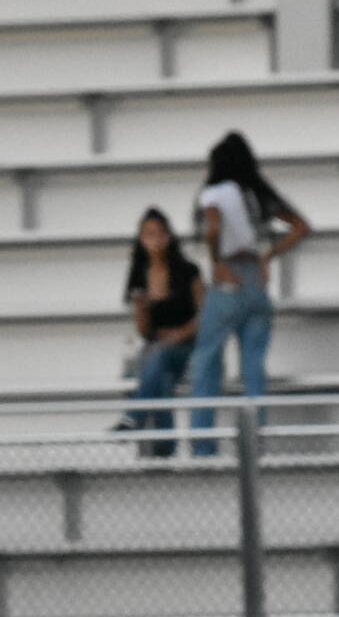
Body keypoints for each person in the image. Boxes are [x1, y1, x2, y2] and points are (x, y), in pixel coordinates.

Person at [187, 131, 311, 451]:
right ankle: (255, 444)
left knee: (207, 361)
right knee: (253, 367)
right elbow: (300, 227)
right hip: (256, 277)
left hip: (229, 277)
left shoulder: (215, 191)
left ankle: (203, 446)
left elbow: (213, 227)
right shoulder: (256, 193)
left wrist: (215, 261)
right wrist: (269, 255)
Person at [118, 208, 206, 453]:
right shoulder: (139, 275)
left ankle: (135, 418)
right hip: (157, 347)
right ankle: (164, 446)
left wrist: (179, 335)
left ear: (168, 237)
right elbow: (145, 332)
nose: (153, 239)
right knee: (160, 373)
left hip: (187, 345)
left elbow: (206, 315)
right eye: (147, 234)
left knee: (158, 358)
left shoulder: (189, 271)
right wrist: (141, 309)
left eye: (158, 233)